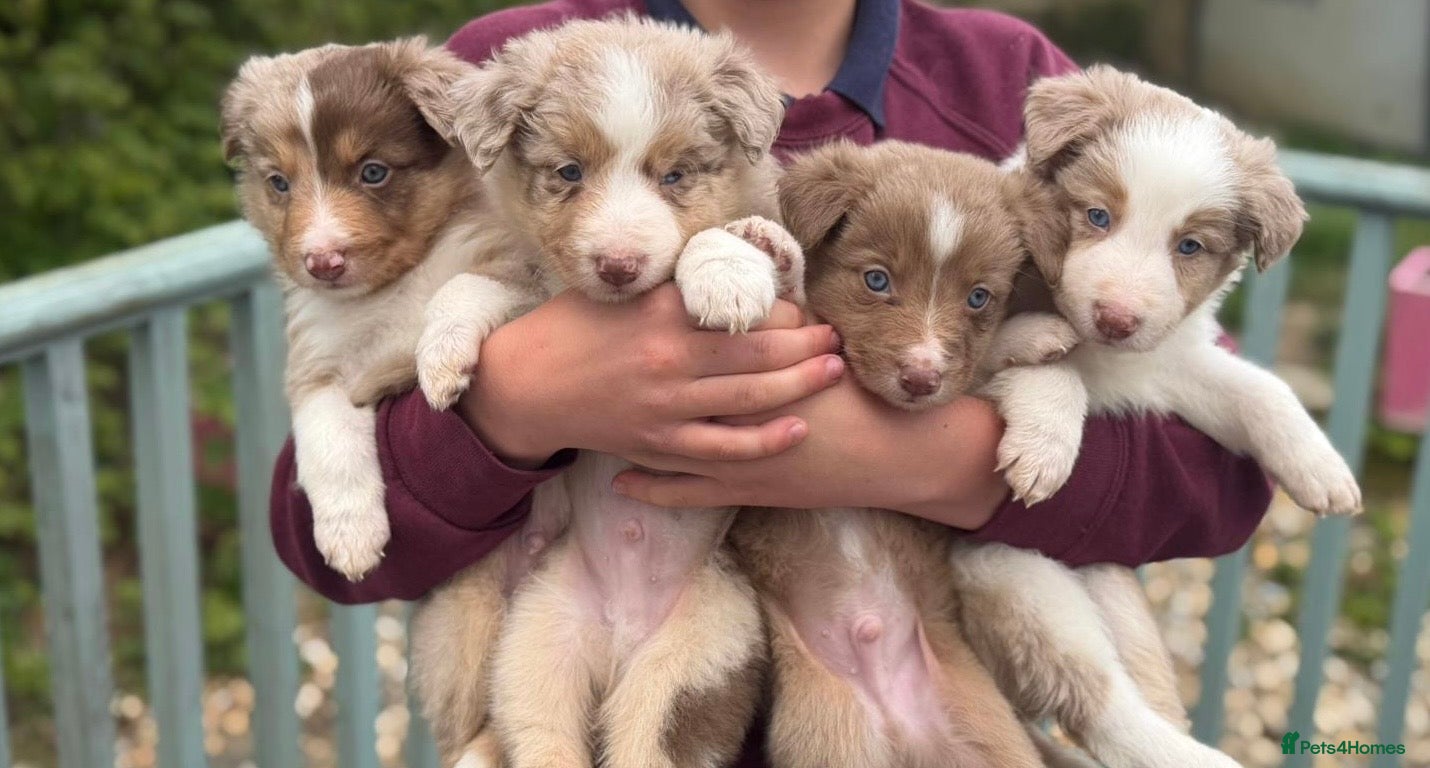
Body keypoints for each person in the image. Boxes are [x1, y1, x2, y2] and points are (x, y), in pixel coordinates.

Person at [269, 3, 1270, 759]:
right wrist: (515, 402)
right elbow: (327, 536)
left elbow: (1217, 481)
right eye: (568, 176)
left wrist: (921, 461)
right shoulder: (520, 56)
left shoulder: (1005, 78)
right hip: (578, 695)